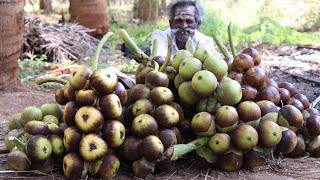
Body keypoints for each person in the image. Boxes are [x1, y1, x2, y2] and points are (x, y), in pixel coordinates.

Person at [151, 0, 218, 58]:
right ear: (171, 23)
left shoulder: (205, 42)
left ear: (197, 24)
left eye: (189, 21)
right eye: (178, 21)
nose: (183, 26)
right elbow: (158, 59)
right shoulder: (160, 37)